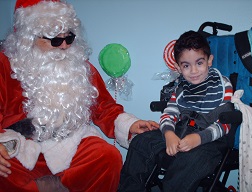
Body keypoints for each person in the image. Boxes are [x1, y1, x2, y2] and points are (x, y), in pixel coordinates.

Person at [0, 0, 159, 192]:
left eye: (69, 38)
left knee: (108, 156)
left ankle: (58, 184)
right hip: (21, 147)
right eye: (56, 40)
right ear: (29, 38)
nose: (65, 47)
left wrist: (130, 125)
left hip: (71, 144)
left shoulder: (79, 66)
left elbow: (103, 107)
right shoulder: (5, 65)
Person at [118, 30, 234, 191]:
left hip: (211, 140)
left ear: (209, 61)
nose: (193, 71)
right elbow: (169, 113)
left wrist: (198, 139)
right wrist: (169, 134)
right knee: (141, 141)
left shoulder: (222, 85)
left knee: (191, 159)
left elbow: (225, 124)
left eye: (199, 63)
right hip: (181, 130)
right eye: (186, 65)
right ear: (178, 67)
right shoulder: (180, 87)